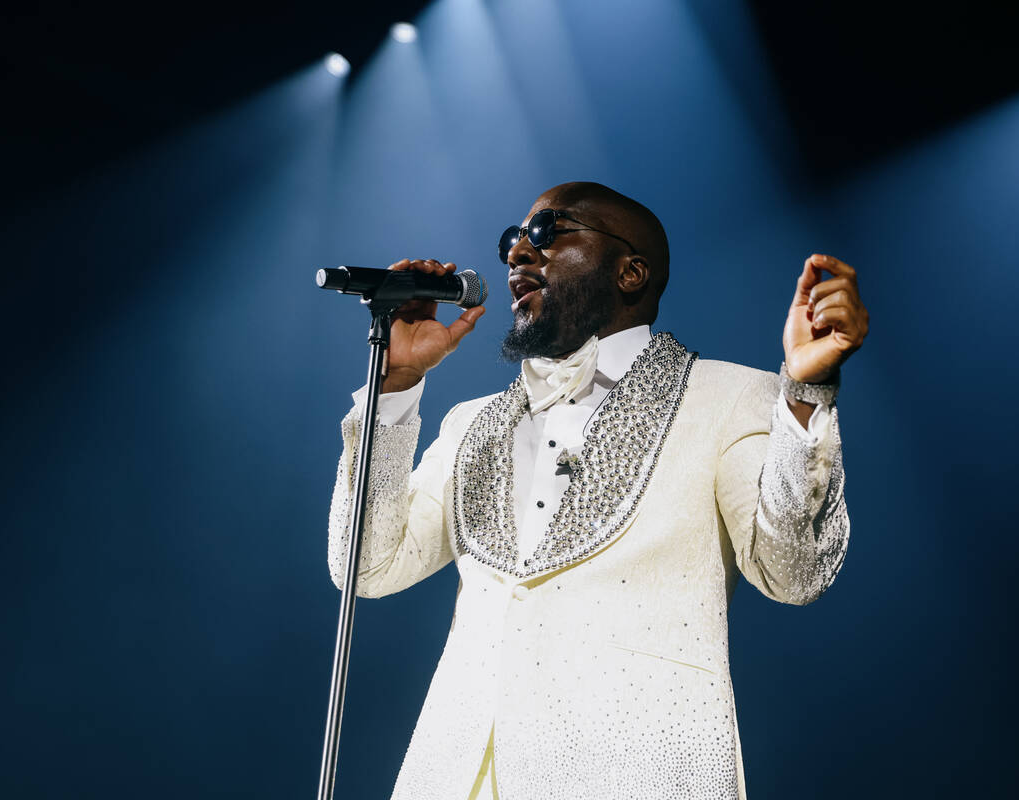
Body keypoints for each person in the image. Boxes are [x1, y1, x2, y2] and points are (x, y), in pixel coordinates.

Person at [327, 181, 870, 800]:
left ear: (630, 271)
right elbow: (365, 565)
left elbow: (794, 572)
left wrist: (806, 395)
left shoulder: (728, 398)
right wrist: (394, 385)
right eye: (514, 240)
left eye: (547, 233)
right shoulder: (470, 423)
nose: (518, 254)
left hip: (636, 775)